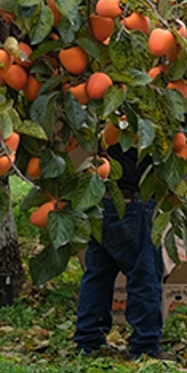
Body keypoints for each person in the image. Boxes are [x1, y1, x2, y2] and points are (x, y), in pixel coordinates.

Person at [73, 132, 163, 360]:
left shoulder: (97, 112)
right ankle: (145, 345)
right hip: (130, 203)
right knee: (144, 274)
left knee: (98, 274)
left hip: (99, 200)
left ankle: (88, 341)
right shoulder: (140, 116)